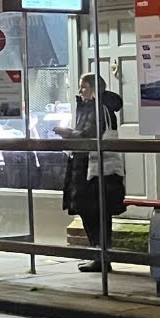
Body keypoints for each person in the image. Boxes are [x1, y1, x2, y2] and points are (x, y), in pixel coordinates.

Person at [54, 73, 126, 272]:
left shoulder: (100, 109)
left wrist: (69, 134)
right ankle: (99, 254)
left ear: (94, 88)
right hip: (85, 166)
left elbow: (91, 134)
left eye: (84, 87)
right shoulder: (89, 108)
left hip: (94, 169)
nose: (80, 91)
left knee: (96, 213)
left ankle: (101, 255)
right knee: (89, 212)